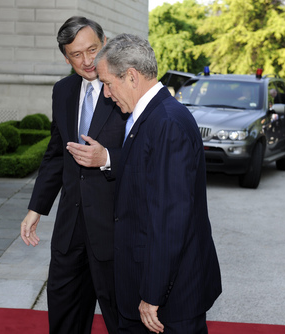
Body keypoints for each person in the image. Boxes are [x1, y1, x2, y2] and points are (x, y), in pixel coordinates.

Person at [69, 34, 222, 334]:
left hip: (169, 298)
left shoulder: (165, 123)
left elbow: (170, 218)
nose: (107, 94)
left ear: (131, 76)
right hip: (149, 285)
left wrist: (152, 294)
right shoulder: (150, 117)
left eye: (108, 84)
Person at [20, 16, 126, 334]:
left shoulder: (126, 88)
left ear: (105, 44)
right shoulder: (63, 91)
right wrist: (36, 208)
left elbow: (147, 156)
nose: (87, 60)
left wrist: (106, 158)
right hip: (70, 229)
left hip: (114, 229)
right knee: (65, 318)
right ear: (66, 58)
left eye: (92, 49)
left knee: (121, 320)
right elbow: (55, 155)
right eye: (76, 54)